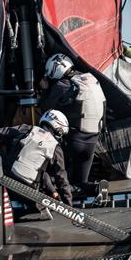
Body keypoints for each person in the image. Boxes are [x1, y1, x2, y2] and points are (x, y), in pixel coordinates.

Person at [39, 54, 107, 199]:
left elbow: (46, 107)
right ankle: (96, 188)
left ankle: (68, 199)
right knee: (81, 181)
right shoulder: (90, 79)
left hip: (74, 141)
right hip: (92, 140)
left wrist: (44, 89)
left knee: (63, 179)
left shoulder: (62, 85)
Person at [0, 110, 74, 207]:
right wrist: (68, 203)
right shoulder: (56, 148)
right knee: (44, 171)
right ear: (59, 130)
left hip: (6, 180)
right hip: (29, 191)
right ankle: (50, 197)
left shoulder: (26, 129)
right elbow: (61, 177)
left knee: (1, 152)